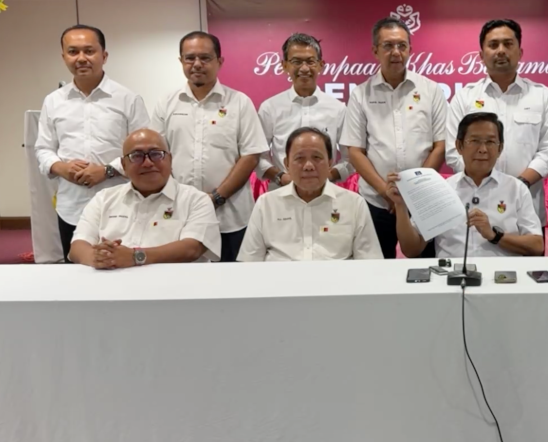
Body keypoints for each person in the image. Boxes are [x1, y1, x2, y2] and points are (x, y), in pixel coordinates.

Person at [35, 24, 150, 263]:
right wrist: (61, 167)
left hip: (120, 205)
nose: (81, 58)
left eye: (89, 51)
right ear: (64, 57)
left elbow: (144, 150)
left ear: (104, 56)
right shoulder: (53, 101)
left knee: (123, 268)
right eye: (73, 52)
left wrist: (106, 171)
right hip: (71, 206)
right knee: (77, 271)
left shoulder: (127, 99)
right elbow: (43, 149)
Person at [150, 31, 268, 262]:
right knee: (184, 280)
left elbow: (250, 156)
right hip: (179, 214)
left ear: (219, 61)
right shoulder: (167, 103)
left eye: (205, 58)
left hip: (230, 217)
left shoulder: (239, 102)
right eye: (190, 58)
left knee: (234, 280)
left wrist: (216, 198)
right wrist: (180, 198)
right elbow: (157, 155)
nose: (197, 64)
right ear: (181, 61)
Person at [340, 17, 447, 259]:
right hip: (377, 201)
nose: (396, 52)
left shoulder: (430, 90)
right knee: (377, 268)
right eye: (388, 46)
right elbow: (355, 151)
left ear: (410, 50)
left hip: (422, 199)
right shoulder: (360, 94)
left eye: (401, 45)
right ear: (375, 51)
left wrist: (414, 191)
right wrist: (385, 192)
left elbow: (440, 146)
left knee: (426, 266)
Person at [446, 19, 548, 229]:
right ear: (481, 55)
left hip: (527, 209)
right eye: (493, 45)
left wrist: (519, 185)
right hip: (474, 209)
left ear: (520, 52)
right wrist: (487, 181)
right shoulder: (464, 97)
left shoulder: (543, 96)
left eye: (508, 44)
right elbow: (454, 151)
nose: (501, 51)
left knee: (528, 251)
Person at [388, 113, 543, 259]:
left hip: (501, 275)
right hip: (451, 274)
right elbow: (411, 249)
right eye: (474, 141)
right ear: (459, 146)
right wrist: (400, 206)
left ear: (500, 148)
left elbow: (537, 246)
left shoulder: (516, 189)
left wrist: (494, 235)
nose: (483, 150)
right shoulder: (440, 190)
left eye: (490, 142)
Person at [69, 129, 221, 268]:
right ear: (123, 165)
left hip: (175, 285)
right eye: (137, 156)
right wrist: (98, 258)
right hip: (113, 285)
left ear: (170, 160)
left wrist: (136, 256)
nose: (148, 163)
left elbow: (192, 249)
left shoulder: (197, 200)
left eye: (156, 154)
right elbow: (77, 247)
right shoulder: (103, 199)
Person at [238, 127, 382, 262]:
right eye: (299, 158)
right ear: (287, 164)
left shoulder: (354, 204)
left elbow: (370, 262)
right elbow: (249, 263)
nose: (308, 166)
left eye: (317, 157)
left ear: (330, 163)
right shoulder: (266, 204)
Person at [258, 33, 351, 190]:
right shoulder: (270, 108)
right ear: (284, 65)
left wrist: (327, 177)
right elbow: (258, 156)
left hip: (326, 193)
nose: (304, 68)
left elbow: (350, 158)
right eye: (296, 61)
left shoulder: (338, 109)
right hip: (281, 193)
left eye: (310, 61)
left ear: (321, 65)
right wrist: (281, 177)